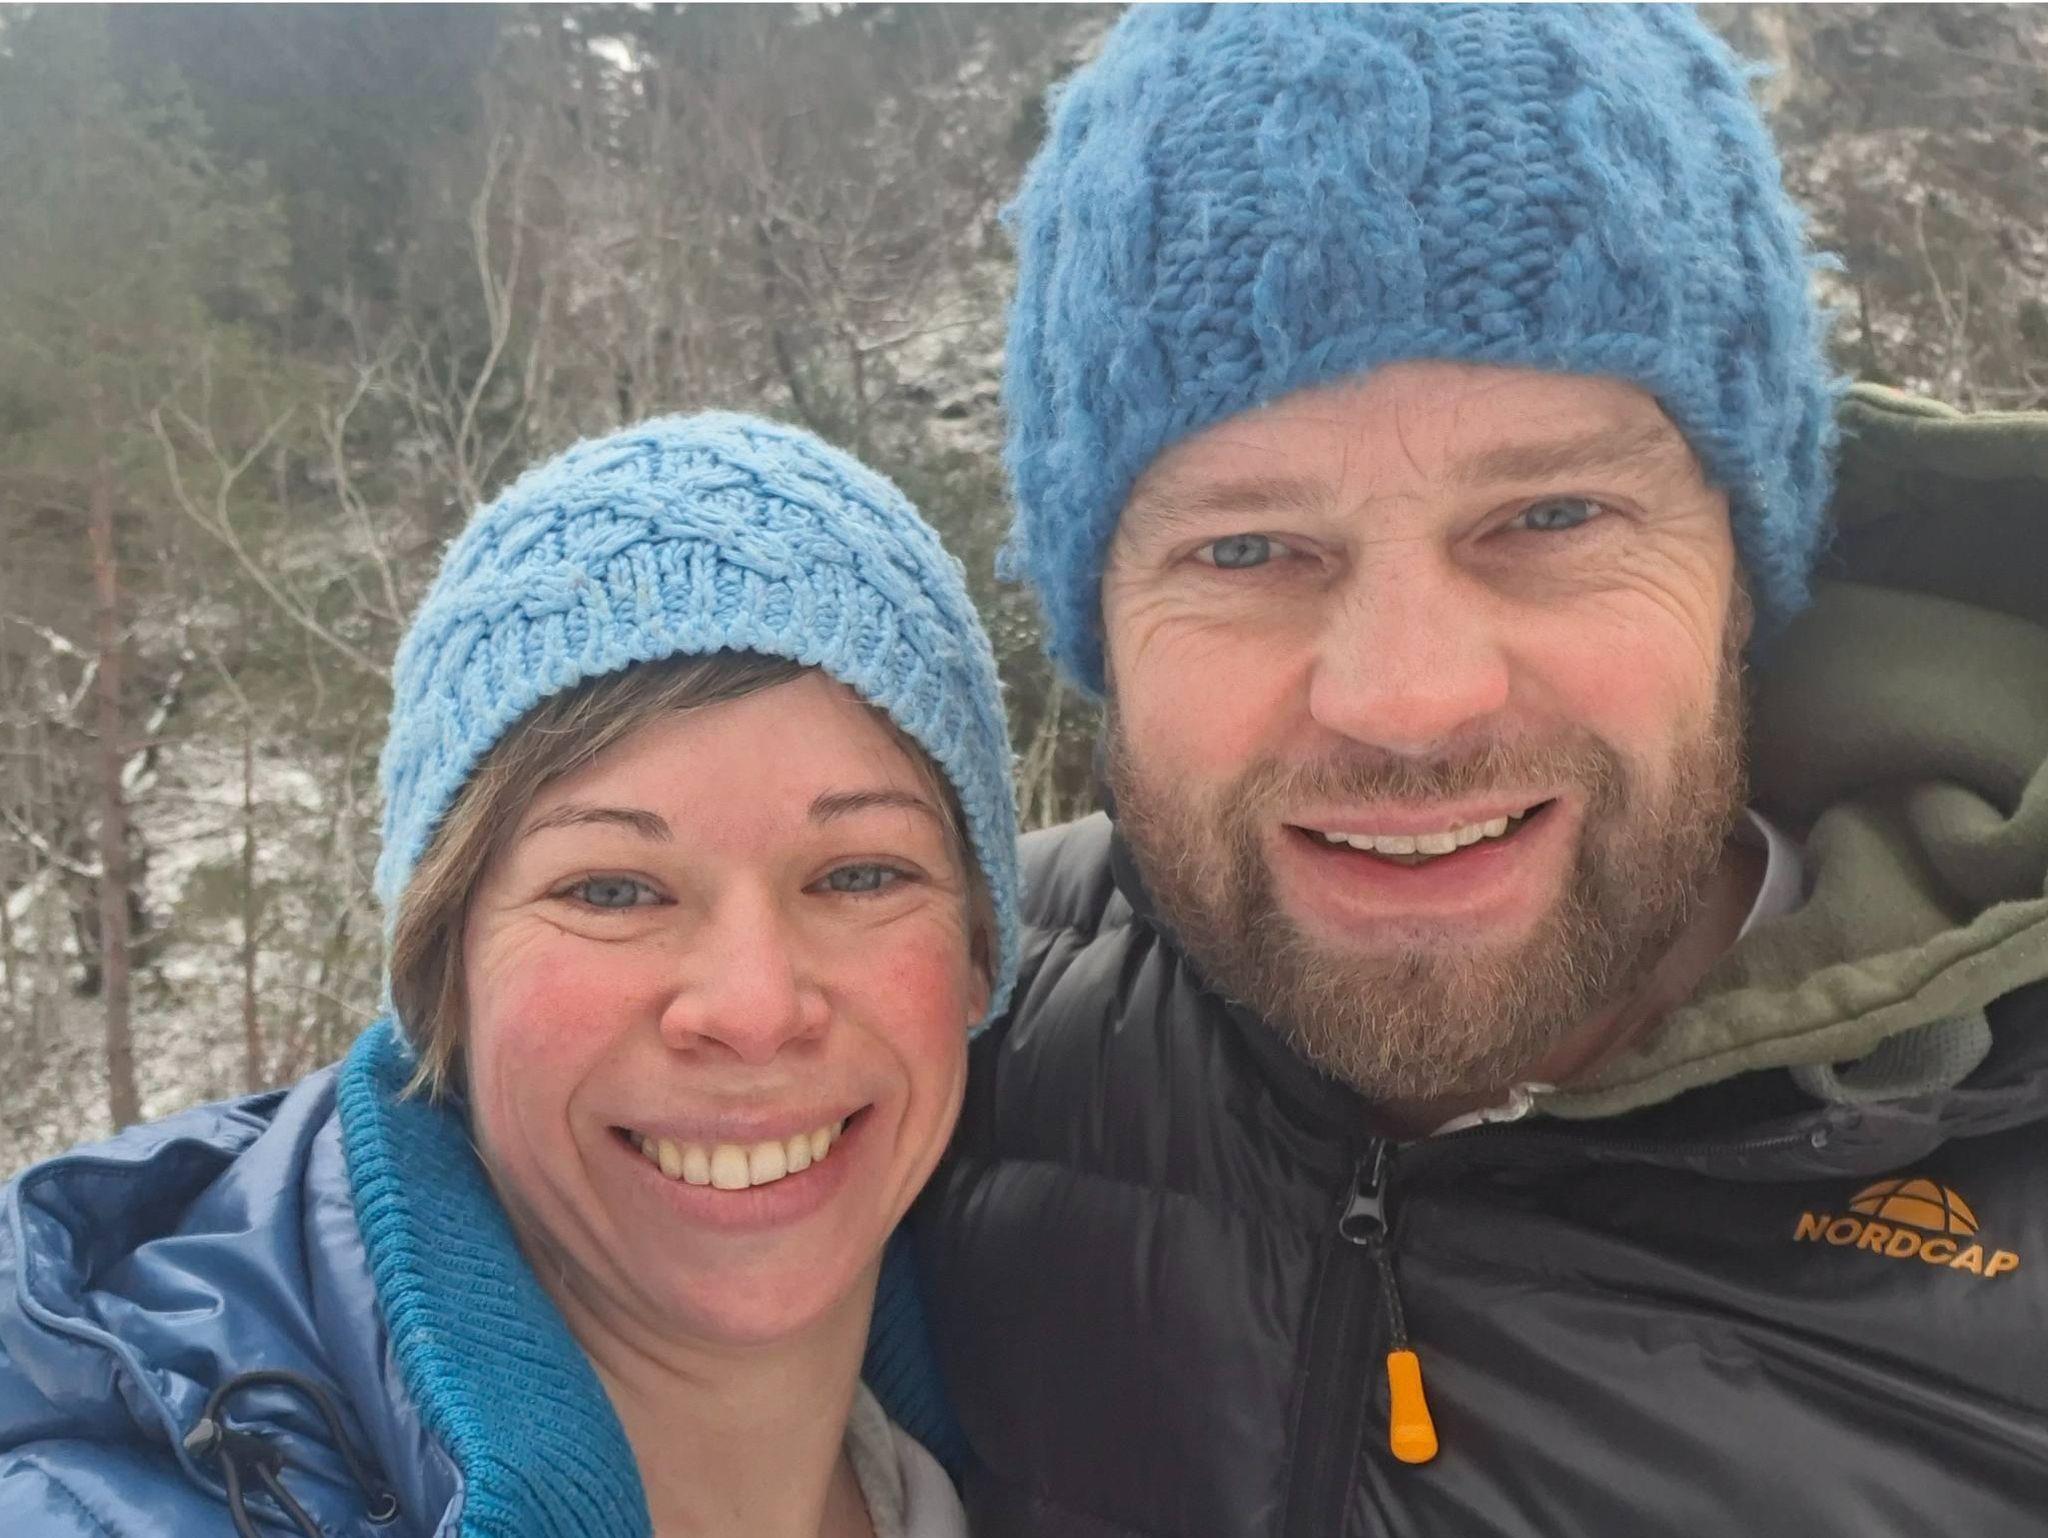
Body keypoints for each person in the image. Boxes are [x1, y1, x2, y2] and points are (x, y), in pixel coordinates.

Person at [917, 5, 2048, 1535]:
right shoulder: (936, 1032)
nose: (1407, 699)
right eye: (1246, 547)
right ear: (1100, 621)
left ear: (1744, 567)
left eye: (1552, 516)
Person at [0, 412, 1021, 1537]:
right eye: (613, 890)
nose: (753, 1007)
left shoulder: (1075, 1445)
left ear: (979, 954)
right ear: (444, 978)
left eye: (861, 874)